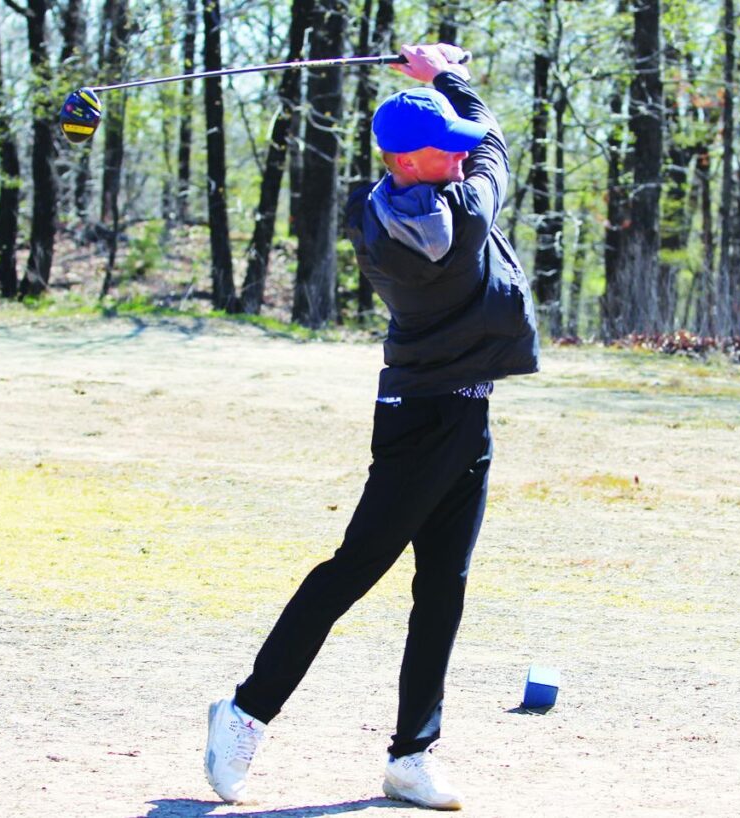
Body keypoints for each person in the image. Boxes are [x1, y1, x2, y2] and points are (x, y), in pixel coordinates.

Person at [204, 42, 539, 811]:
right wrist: (444, 75)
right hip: (425, 422)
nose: (459, 158)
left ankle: (411, 754)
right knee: (351, 574)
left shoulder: (374, 204)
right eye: (444, 151)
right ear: (412, 160)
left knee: (443, 589)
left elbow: (465, 142)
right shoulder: (463, 211)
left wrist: (428, 97)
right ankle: (246, 713)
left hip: (462, 412)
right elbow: (492, 141)